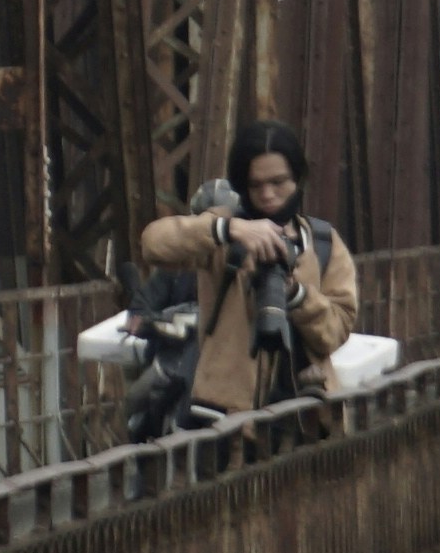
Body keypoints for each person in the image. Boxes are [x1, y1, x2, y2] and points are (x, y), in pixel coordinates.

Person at [134, 120, 356, 422]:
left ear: (298, 179)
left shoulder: (322, 243)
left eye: (278, 182)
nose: (267, 195)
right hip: (227, 418)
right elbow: (153, 244)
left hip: (306, 416)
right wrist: (227, 229)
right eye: (256, 185)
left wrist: (296, 295)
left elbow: (336, 332)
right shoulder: (224, 233)